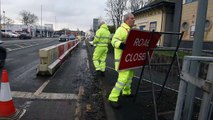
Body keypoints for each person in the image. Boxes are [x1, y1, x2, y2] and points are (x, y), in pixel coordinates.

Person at [108, 13, 135, 108]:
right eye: (132, 18)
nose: (134, 20)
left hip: (129, 60)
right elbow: (113, 41)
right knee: (122, 79)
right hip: (122, 60)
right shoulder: (121, 30)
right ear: (126, 19)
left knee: (130, 77)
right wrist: (121, 44)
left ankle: (126, 92)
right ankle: (113, 98)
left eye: (134, 18)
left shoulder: (130, 31)